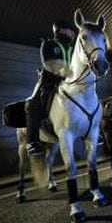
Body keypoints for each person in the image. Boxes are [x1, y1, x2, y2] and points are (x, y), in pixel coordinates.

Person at [25, 20, 75, 156]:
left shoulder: (74, 50)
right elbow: (49, 64)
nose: (73, 33)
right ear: (61, 30)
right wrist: (65, 74)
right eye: (70, 30)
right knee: (33, 104)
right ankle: (31, 141)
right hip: (49, 83)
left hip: (70, 84)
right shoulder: (49, 44)